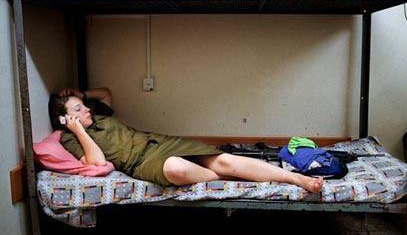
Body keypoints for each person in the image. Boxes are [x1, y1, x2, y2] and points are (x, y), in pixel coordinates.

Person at [48, 87, 323, 193]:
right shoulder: (71, 141)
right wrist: (79, 130)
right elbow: (96, 163)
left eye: (83, 106)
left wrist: (79, 93)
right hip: (141, 162)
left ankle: (298, 179)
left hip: (157, 141)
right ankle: (223, 178)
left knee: (224, 158)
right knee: (176, 169)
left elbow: (105, 93)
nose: (85, 109)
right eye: (77, 110)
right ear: (64, 120)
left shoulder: (98, 115)